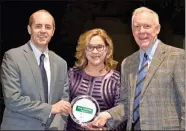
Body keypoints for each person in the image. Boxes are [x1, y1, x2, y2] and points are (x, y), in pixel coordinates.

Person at [87, 7, 185, 130]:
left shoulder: (177, 57)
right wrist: (106, 115)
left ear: (157, 29)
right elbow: (127, 104)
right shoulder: (127, 63)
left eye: (147, 26)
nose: (141, 31)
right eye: (136, 27)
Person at [0, 9, 71, 130]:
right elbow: (12, 99)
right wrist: (50, 109)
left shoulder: (61, 63)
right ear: (29, 29)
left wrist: (59, 124)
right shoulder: (13, 57)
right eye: (38, 26)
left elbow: (64, 101)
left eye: (48, 27)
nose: (43, 30)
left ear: (53, 31)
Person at [66, 28, 124, 131]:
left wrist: (104, 129)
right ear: (84, 50)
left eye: (99, 47)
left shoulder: (116, 80)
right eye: (90, 47)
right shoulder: (72, 75)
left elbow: (121, 115)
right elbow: (62, 107)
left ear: (107, 49)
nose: (95, 51)